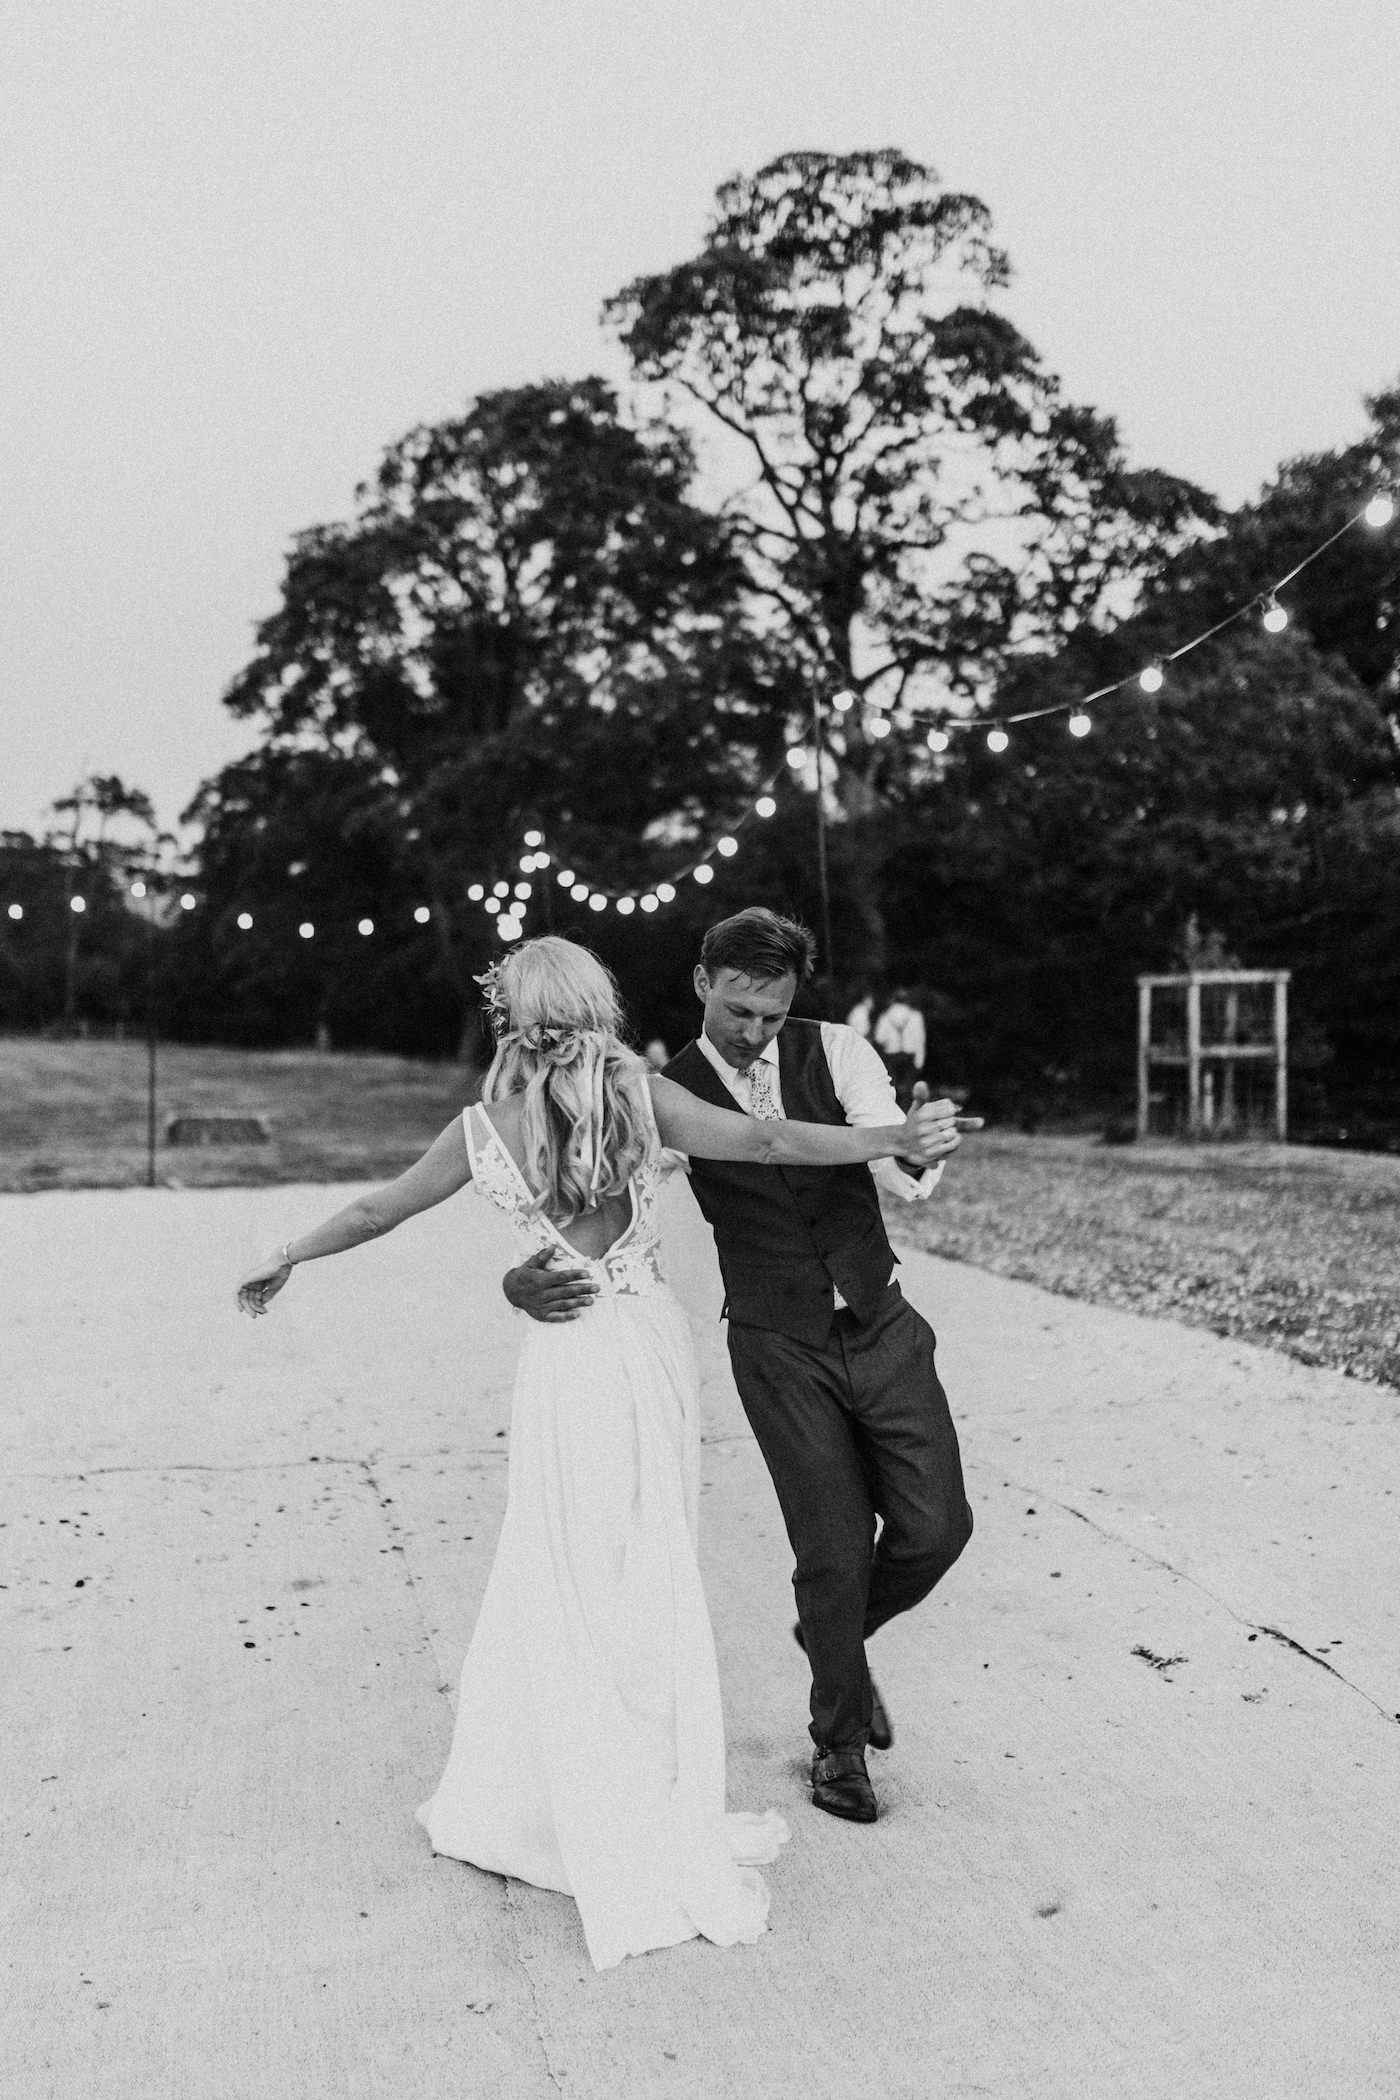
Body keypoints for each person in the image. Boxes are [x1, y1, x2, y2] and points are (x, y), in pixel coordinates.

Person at [235, 935, 954, 1970]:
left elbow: (376, 1206)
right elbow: (772, 1144)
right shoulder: (640, 1103)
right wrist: (888, 1135)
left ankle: (564, 1788)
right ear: (597, 1011)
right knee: (648, 1567)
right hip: (643, 1348)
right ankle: (644, 1783)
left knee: (560, 1565)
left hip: (564, 1366)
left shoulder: (483, 1127)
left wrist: (285, 1254)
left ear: (507, 1021)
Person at [505, 909, 975, 1829]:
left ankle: (835, 1635)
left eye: (771, 1014)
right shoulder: (660, 1092)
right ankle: (837, 1743)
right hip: (775, 1346)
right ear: (702, 984)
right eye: (737, 1011)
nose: (755, 1033)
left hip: (881, 1325)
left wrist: (918, 1145)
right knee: (832, 1550)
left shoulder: (837, 1052)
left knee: (938, 1527)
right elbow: (584, 1201)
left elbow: (900, 1166)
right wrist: (524, 1275)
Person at [873, 986, 926, 1109]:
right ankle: (907, 1111)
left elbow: (879, 1038)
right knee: (908, 1088)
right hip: (909, 1055)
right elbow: (920, 1039)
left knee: (893, 1087)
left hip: (892, 1055)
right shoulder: (916, 1016)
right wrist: (920, 1060)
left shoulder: (885, 1016)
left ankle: (894, 1112)